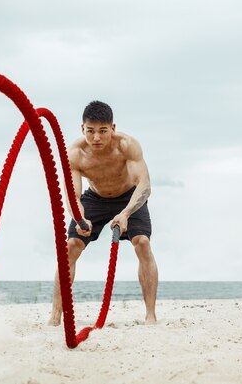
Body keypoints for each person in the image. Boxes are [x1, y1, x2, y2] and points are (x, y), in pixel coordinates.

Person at [48, 101, 159, 326]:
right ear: (82, 129)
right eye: (90, 131)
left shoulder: (128, 146)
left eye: (102, 131)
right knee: (70, 247)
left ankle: (150, 314)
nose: (96, 138)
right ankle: (55, 316)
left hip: (128, 195)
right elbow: (74, 195)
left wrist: (126, 213)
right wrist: (80, 219)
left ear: (113, 128)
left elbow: (144, 185)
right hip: (95, 198)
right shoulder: (76, 153)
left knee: (143, 243)